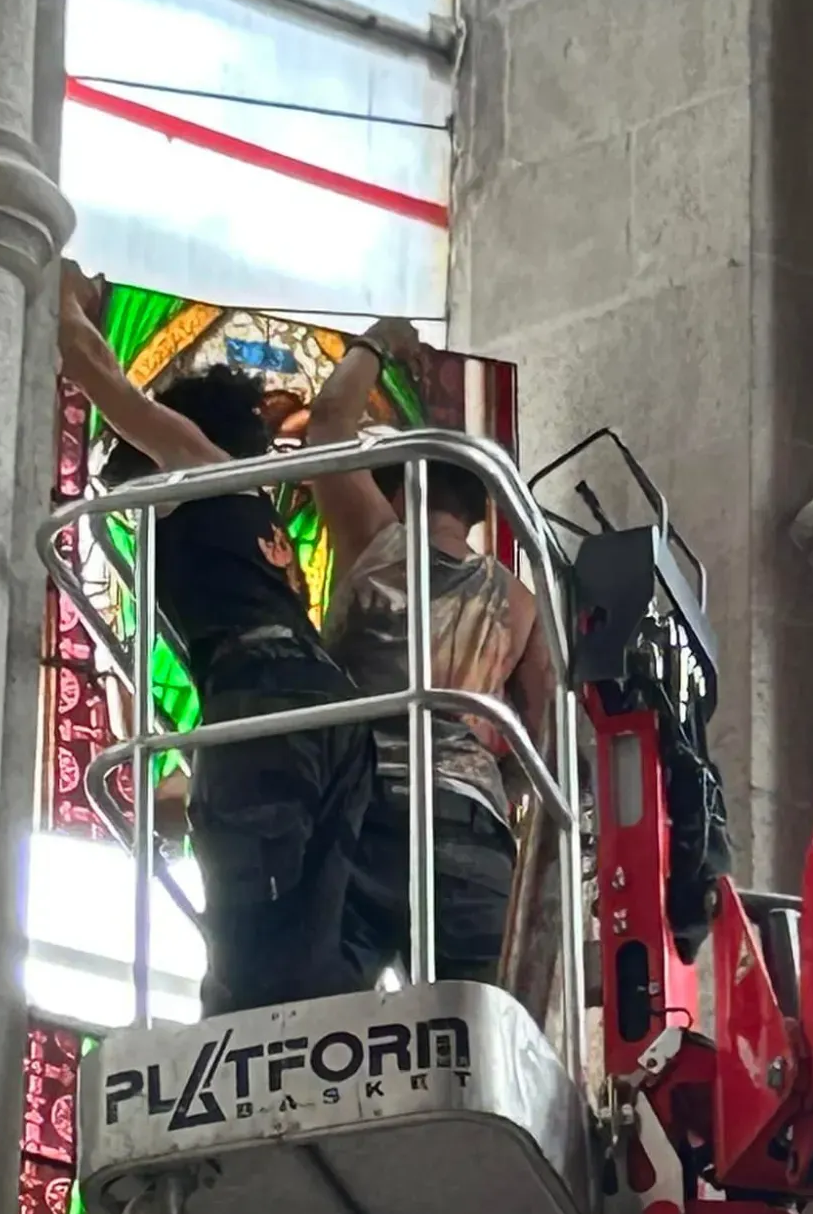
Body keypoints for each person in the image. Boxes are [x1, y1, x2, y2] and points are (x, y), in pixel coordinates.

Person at [56, 261, 374, 1016]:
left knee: (248, 933)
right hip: (330, 712)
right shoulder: (256, 514)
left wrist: (68, 294)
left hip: (259, 690)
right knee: (312, 935)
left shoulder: (195, 467)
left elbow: (94, 370)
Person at [300, 318, 553, 986]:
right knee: (470, 1042)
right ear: (477, 511)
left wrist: (378, 342)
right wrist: (498, 794)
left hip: (362, 813)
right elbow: (550, 739)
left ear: (393, 490)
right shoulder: (523, 604)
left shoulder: (377, 543)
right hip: (470, 828)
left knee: (326, 1028)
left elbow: (326, 422)